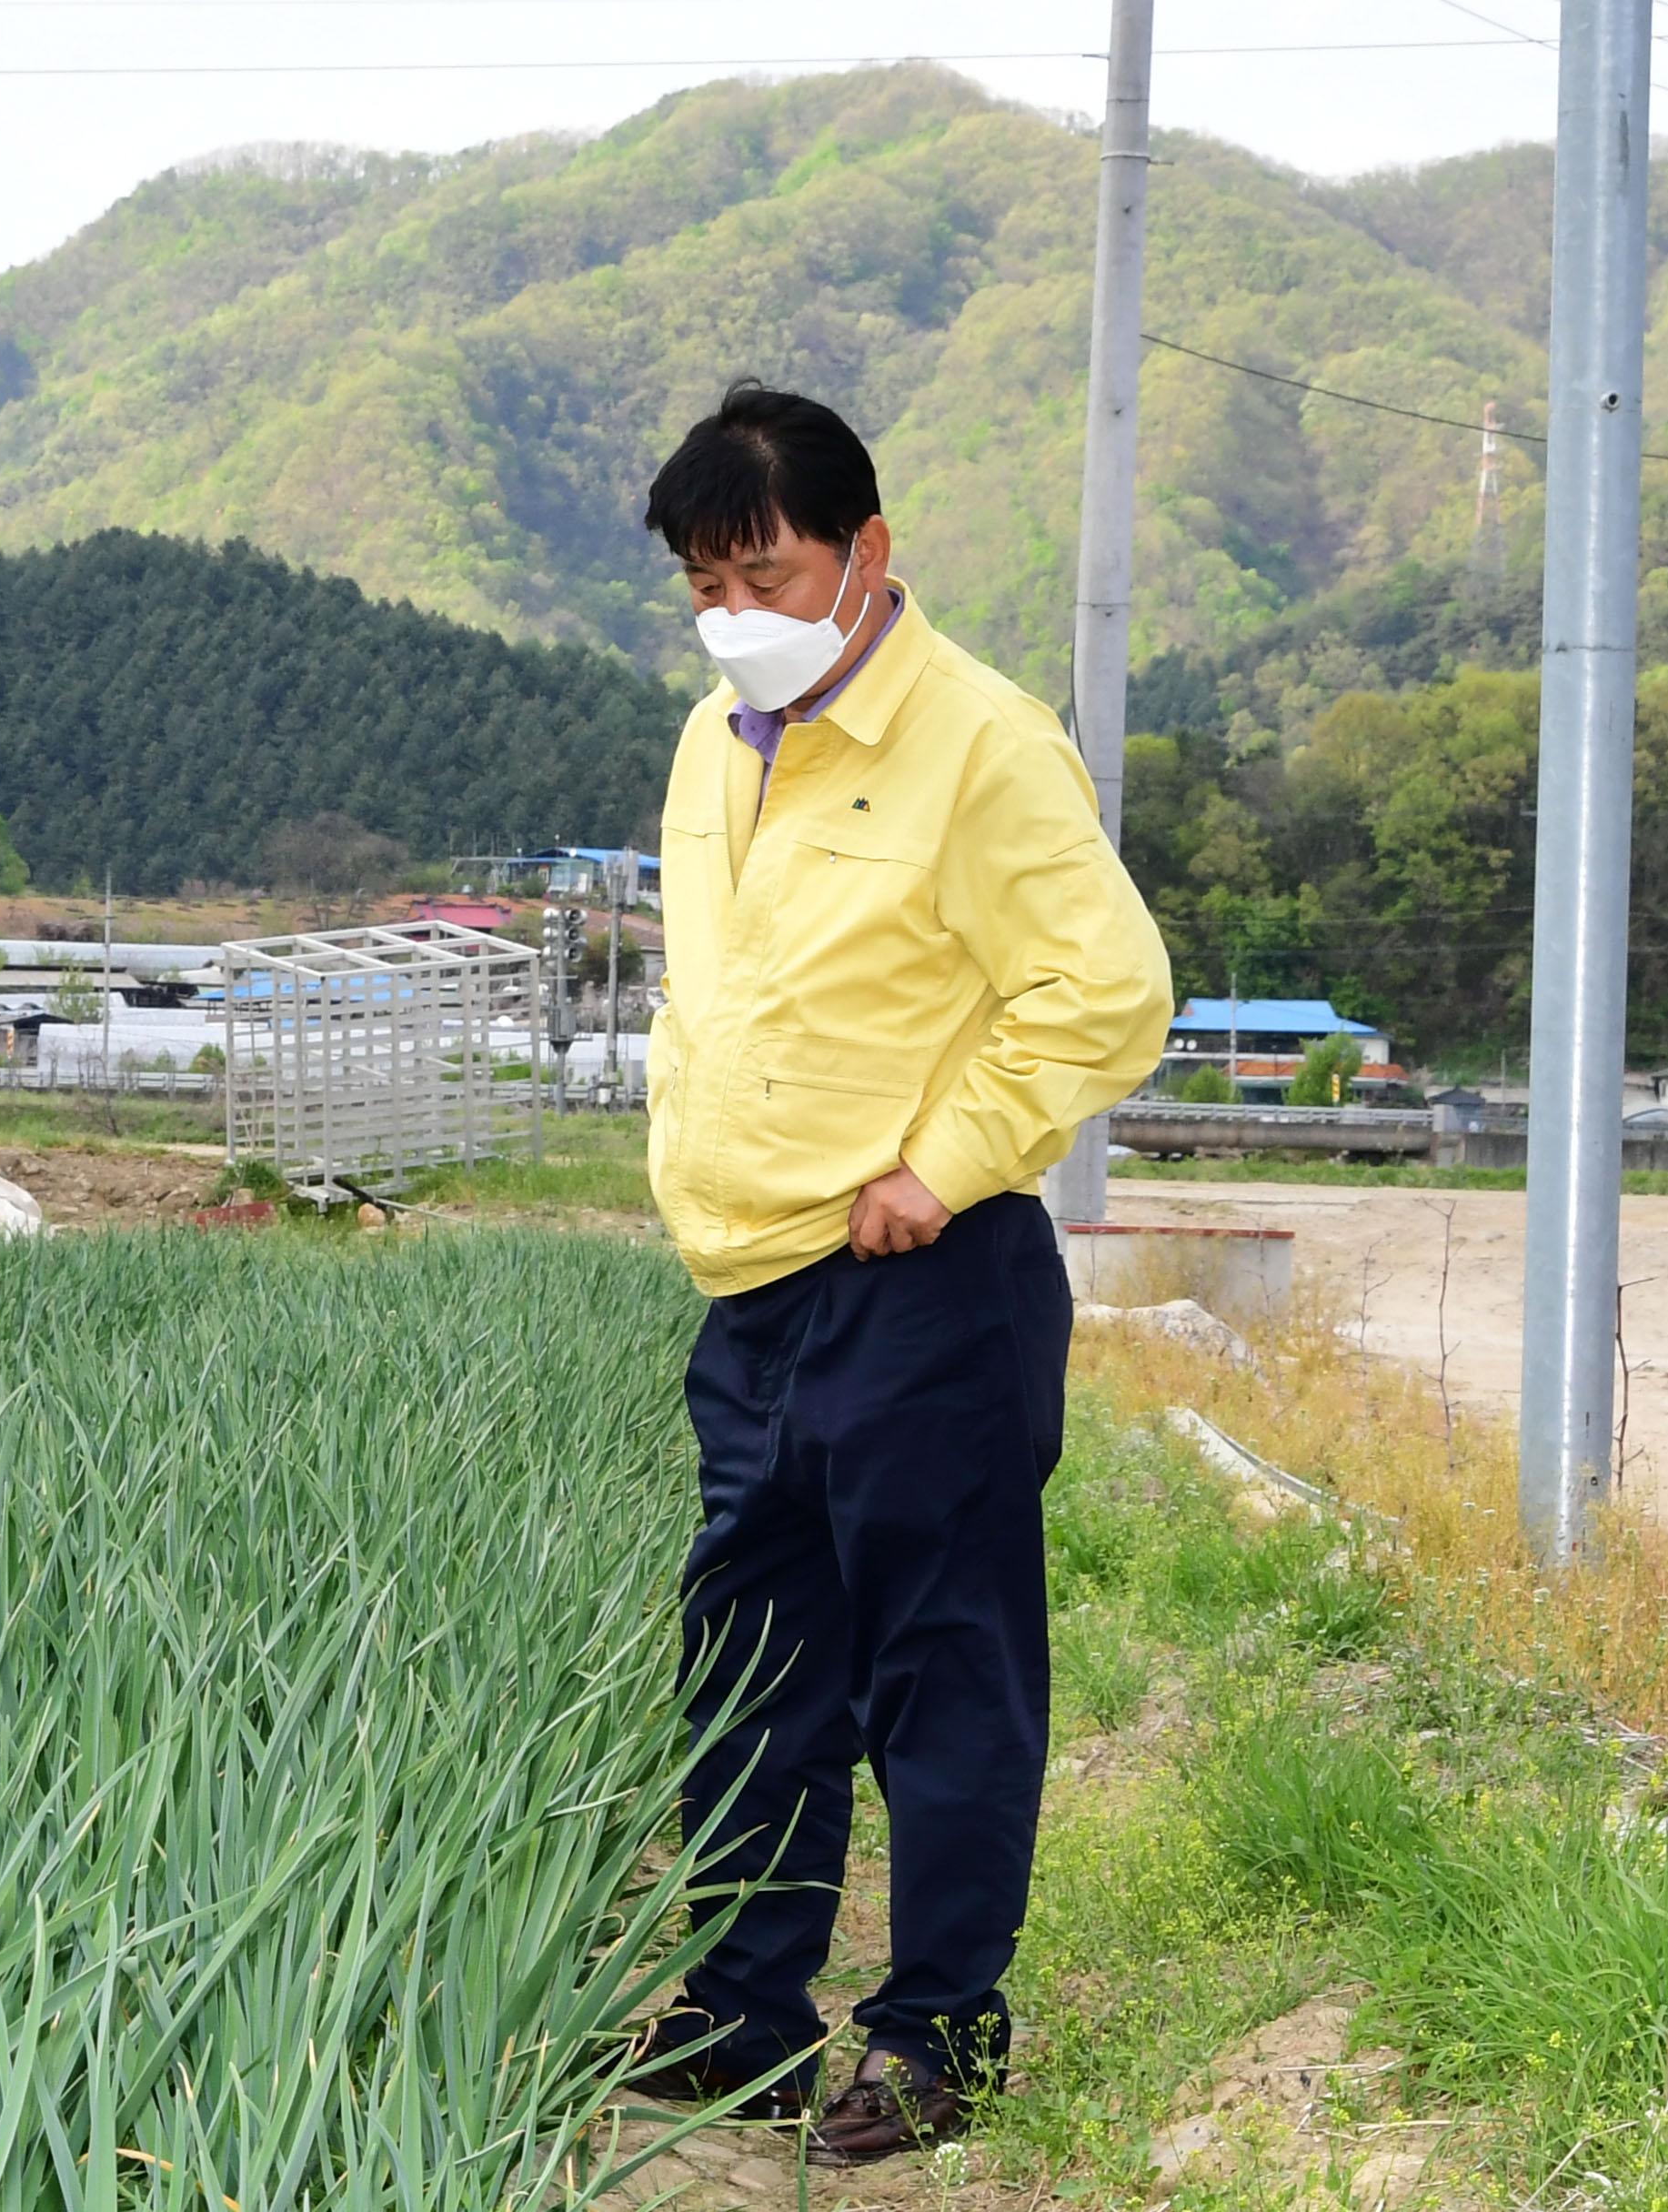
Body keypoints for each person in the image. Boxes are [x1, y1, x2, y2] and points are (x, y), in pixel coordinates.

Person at [621, 384, 1172, 2166]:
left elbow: (1103, 990)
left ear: (868, 550)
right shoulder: (718, 742)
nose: (737, 615)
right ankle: (746, 2010)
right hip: (758, 1286)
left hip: (928, 1281)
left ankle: (938, 2029)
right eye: (706, 586)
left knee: (942, 1666)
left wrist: (941, 1165)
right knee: (755, 1662)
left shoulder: (981, 740)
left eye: (764, 569)